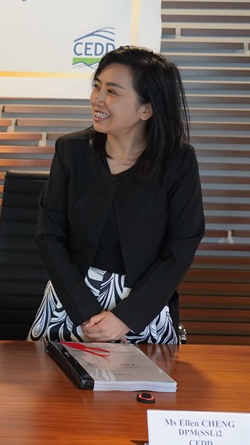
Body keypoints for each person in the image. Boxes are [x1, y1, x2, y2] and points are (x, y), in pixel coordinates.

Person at [29, 46, 205, 344]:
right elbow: (49, 235)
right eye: (96, 86)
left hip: (143, 309)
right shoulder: (71, 151)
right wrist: (85, 312)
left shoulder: (179, 162)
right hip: (69, 303)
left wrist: (126, 317)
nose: (97, 99)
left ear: (146, 109)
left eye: (111, 91)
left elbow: (181, 247)